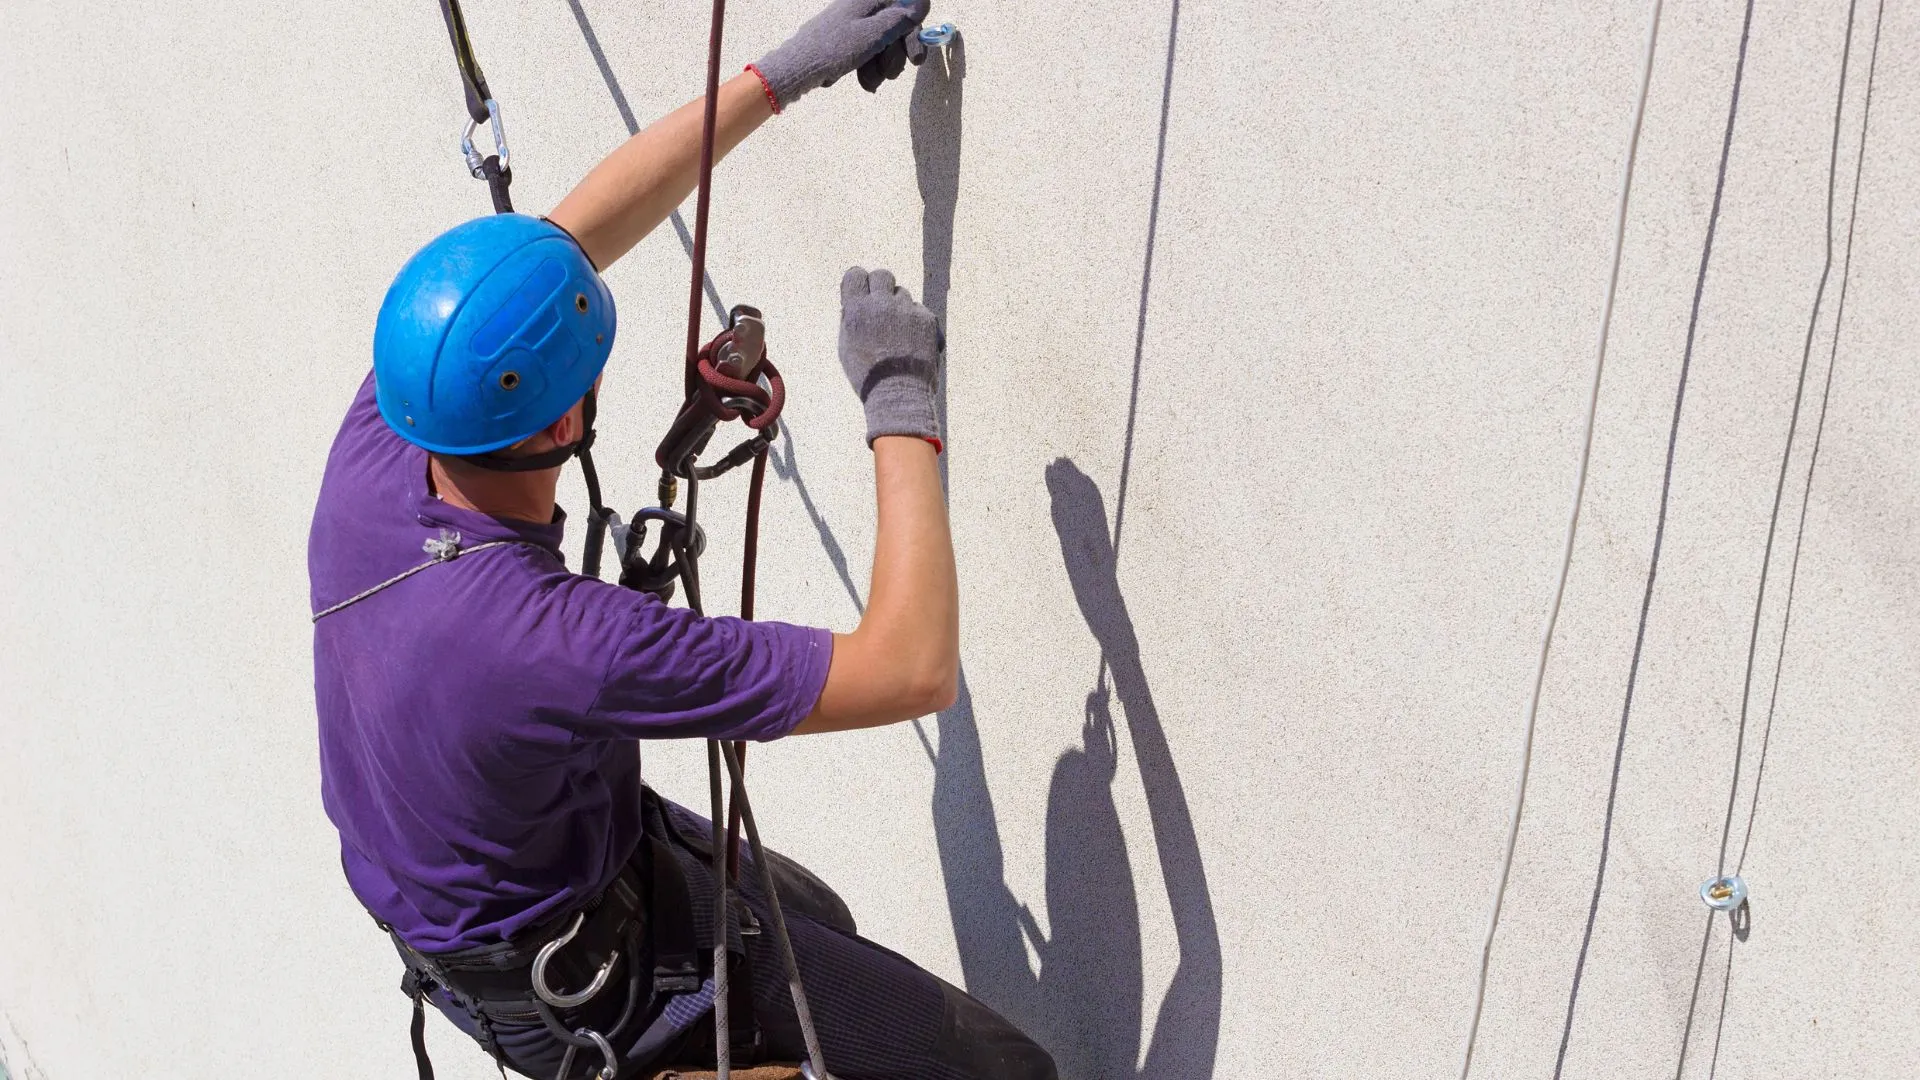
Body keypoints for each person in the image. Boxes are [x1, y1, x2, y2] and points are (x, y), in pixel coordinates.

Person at [307, 1, 1056, 1077]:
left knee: (816, 915)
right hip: (575, 986)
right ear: (564, 422)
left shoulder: (392, 425)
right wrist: (902, 405)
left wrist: (785, 71)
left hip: (513, 889)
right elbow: (911, 667)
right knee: (1001, 1071)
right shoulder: (557, 640)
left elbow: (572, 235)